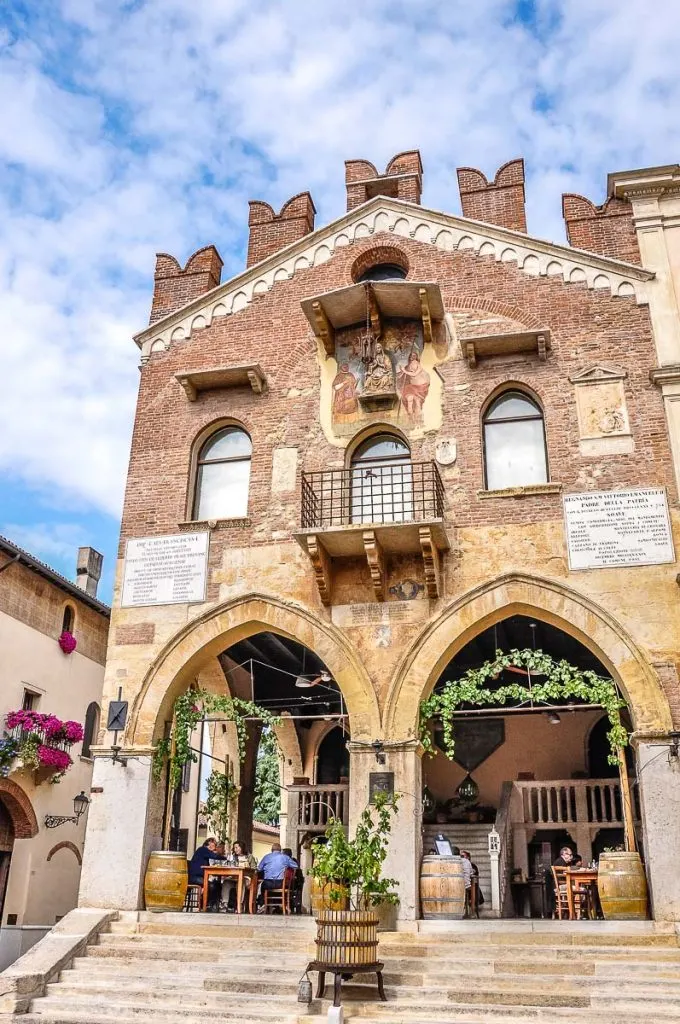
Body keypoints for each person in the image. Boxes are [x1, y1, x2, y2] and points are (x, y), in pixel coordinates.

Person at [188, 838, 229, 911]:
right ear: (209, 843)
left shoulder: (205, 852)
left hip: (200, 876)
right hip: (195, 877)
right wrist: (226, 858)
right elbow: (215, 856)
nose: (216, 846)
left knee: (217, 884)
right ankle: (206, 905)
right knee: (211, 885)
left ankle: (213, 905)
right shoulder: (203, 849)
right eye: (214, 844)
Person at [257, 843, 298, 909]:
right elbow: (295, 866)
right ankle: (281, 905)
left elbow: (259, 868)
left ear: (271, 850)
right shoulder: (285, 857)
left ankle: (264, 903)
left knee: (262, 886)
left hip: (268, 884)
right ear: (280, 850)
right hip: (281, 883)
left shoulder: (266, 857)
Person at [224, 841, 258, 912]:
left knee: (241, 881)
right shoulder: (233, 857)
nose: (235, 849)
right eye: (234, 848)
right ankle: (225, 904)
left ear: (241, 847)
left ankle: (240, 904)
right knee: (226, 882)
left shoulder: (249, 857)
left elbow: (255, 869)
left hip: (247, 878)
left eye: (237, 847)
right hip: (234, 877)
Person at [545, 845, 575, 917]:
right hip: (559, 886)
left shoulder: (560, 861)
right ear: (564, 854)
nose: (571, 857)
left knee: (574, 886)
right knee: (577, 888)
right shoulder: (561, 862)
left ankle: (567, 911)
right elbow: (564, 876)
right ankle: (574, 912)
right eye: (570, 855)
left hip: (557, 886)